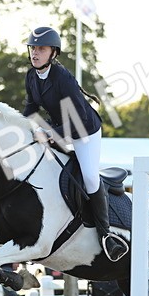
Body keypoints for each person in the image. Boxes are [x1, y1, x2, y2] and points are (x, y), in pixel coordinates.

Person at [22, 26, 129, 262]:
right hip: (58, 128)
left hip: (84, 131)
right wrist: (24, 129)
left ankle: (106, 235)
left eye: (41, 49)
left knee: (89, 176)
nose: (35, 53)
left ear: (53, 53)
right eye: (33, 48)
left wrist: (50, 135)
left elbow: (79, 119)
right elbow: (30, 109)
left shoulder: (63, 78)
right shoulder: (31, 76)